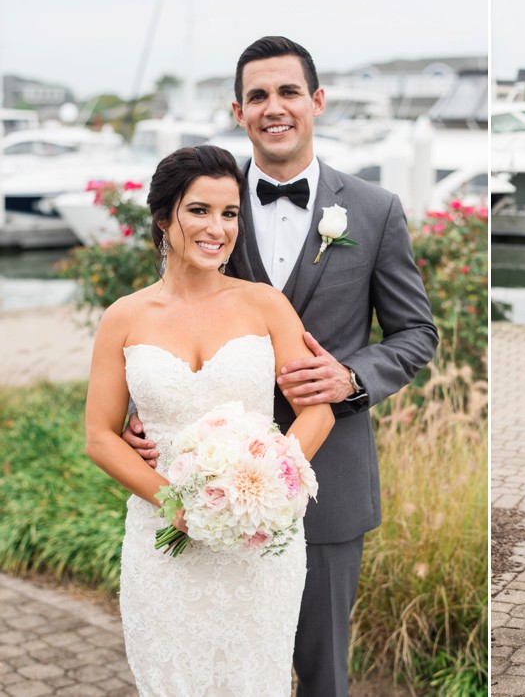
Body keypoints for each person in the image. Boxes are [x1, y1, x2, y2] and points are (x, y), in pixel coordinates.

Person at [123, 36, 439, 696]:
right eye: (258, 95)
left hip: (326, 483)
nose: (275, 107)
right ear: (238, 110)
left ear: (317, 101)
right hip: (201, 488)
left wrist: (352, 377)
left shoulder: (374, 211)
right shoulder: (206, 200)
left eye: (288, 91)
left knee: (323, 679)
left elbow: (416, 332)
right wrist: (142, 405)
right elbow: (164, 313)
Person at [85, 144, 336, 695]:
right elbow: (101, 437)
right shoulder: (123, 318)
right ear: (162, 217)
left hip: (258, 541)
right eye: (199, 210)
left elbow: (316, 410)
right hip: (162, 535)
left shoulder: (265, 304)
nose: (217, 229)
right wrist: (175, 504)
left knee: (257, 679)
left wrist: (273, 480)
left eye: (230, 214)